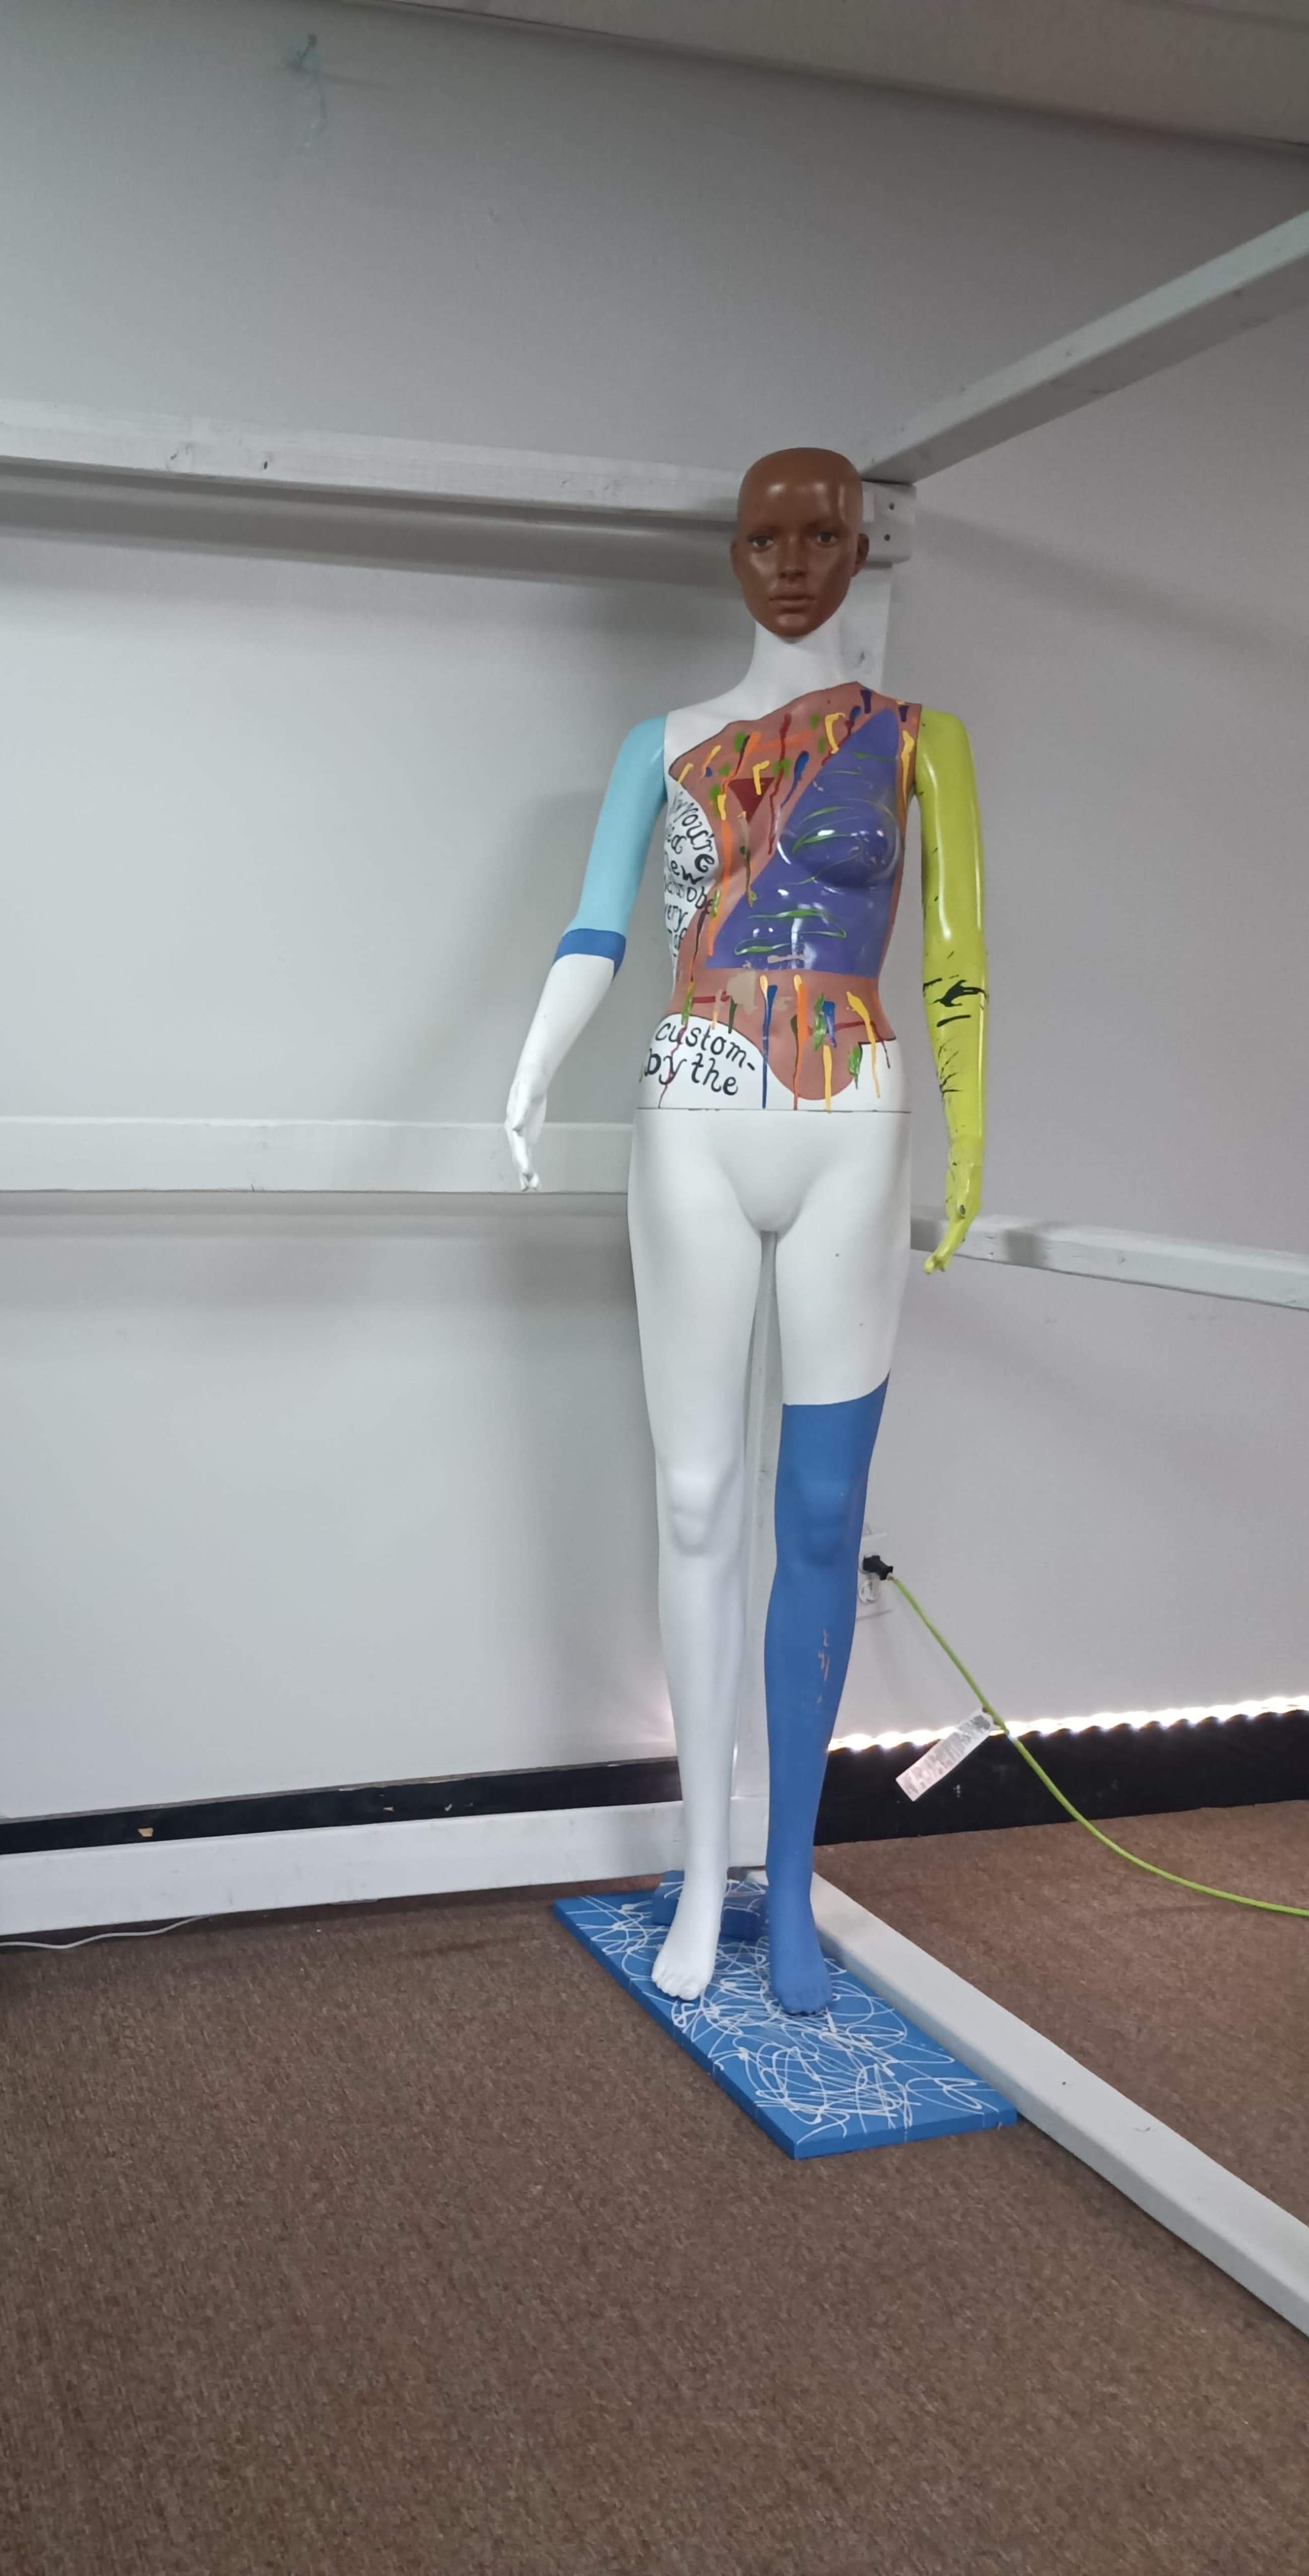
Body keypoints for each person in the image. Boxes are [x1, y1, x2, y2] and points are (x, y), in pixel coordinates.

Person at [504, 447, 986, 2012]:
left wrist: (970, 1143)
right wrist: (529, 1073)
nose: (794, 561)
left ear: (862, 545)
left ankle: (793, 1885)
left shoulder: (921, 746)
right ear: (734, 552)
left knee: (821, 1520)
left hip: (854, 1119)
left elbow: (959, 969)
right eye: (765, 535)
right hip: (692, 1114)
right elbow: (595, 926)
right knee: (701, 1500)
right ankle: (707, 1870)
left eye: (823, 533)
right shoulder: (660, 744)